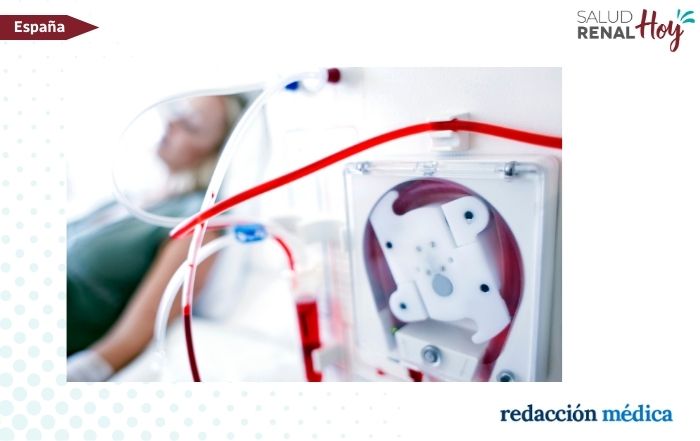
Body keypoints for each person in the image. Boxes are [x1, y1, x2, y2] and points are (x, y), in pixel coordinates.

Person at [67, 95, 241, 381]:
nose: (172, 123)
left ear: (217, 152)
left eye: (191, 125)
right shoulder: (132, 199)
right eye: (177, 112)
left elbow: (125, 342)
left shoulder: (195, 220)